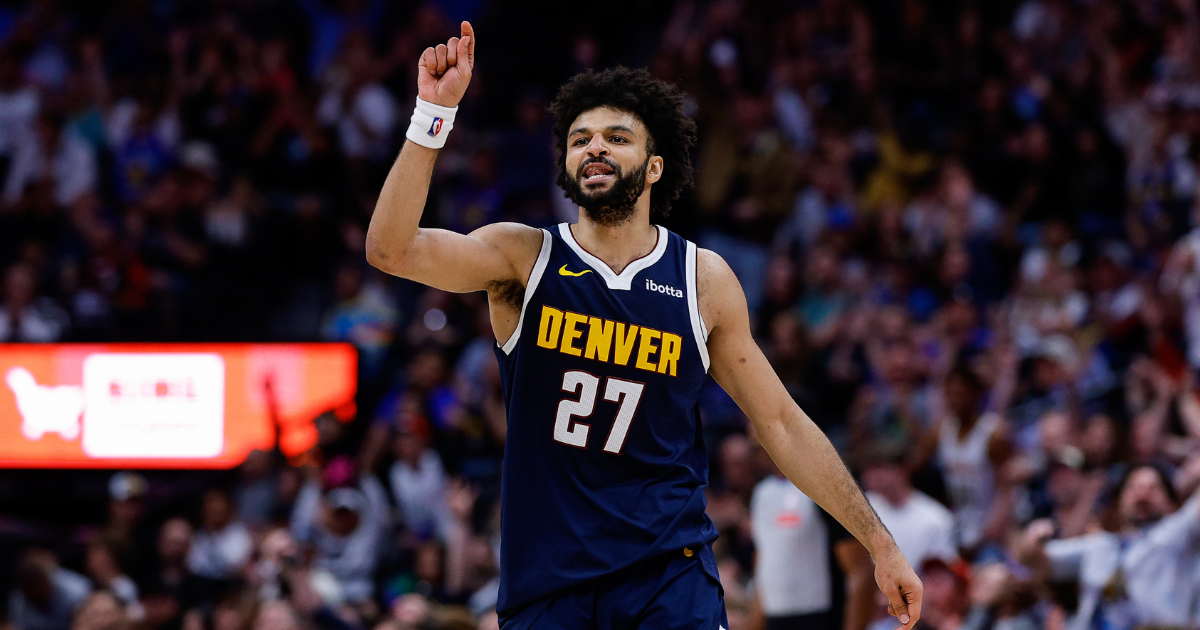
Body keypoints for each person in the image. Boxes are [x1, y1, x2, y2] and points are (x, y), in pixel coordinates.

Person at [365, 22, 922, 630]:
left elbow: (781, 423)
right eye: (579, 139)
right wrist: (431, 116)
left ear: (654, 167)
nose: (593, 148)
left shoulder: (701, 280)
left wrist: (880, 542)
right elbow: (391, 250)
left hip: (667, 573)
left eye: (616, 137)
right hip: (547, 580)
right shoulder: (523, 257)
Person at [1015, 464, 1200, 630]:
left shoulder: (1179, 534)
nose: (1142, 494)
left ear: (1173, 503)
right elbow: (1033, 561)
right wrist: (1033, 536)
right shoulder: (1100, 545)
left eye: (1153, 488)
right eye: (1133, 487)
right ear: (1119, 502)